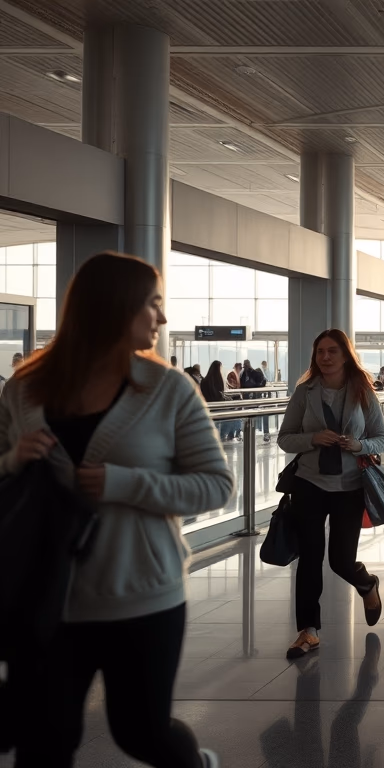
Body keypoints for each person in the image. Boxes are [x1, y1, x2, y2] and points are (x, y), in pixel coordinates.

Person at [0, 251, 231, 768]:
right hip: (45, 597)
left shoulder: (169, 390)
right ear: (115, 306)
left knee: (141, 733)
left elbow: (217, 486)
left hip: (142, 593)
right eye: (153, 303)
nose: (162, 317)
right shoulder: (24, 388)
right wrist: (13, 460)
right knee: (44, 742)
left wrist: (126, 484)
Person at [277, 329, 384, 660]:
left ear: (345, 355)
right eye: (320, 352)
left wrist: (358, 445)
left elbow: (382, 437)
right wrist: (313, 438)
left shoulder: (362, 391)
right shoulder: (305, 391)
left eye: (332, 351)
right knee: (310, 558)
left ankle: (366, 584)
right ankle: (308, 631)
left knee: (340, 560)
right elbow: (285, 437)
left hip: (349, 485)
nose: (325, 357)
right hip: (309, 483)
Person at [200, 361, 238, 441]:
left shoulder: (204, 381)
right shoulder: (218, 381)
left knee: (214, 425)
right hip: (218, 407)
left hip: (208, 407)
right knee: (232, 416)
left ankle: (214, 438)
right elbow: (219, 395)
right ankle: (222, 436)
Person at [241, 359, 270, 441]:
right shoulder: (245, 374)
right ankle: (252, 433)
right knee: (251, 416)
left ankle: (252, 433)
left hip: (253, 398)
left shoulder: (250, 373)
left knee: (252, 416)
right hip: (252, 399)